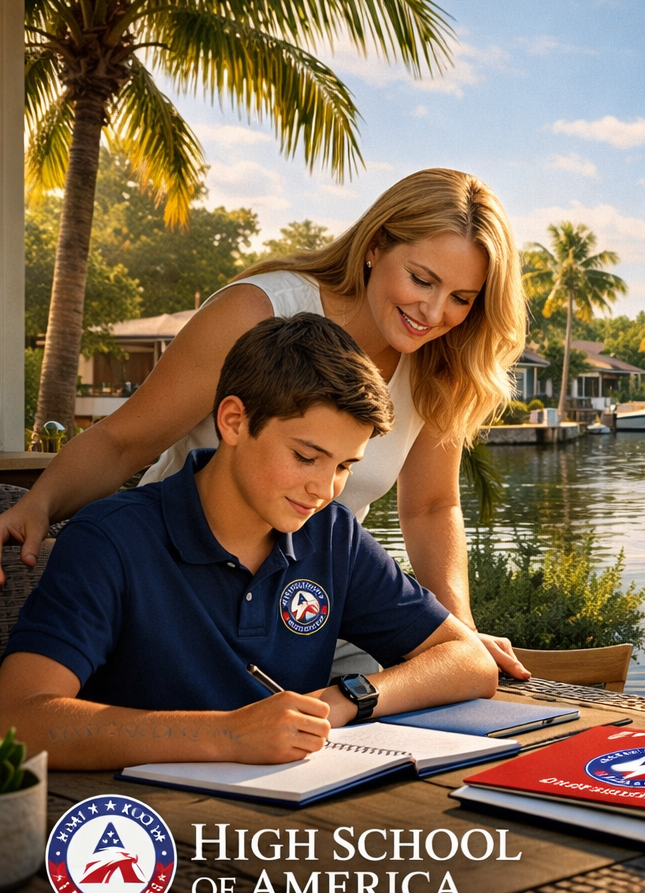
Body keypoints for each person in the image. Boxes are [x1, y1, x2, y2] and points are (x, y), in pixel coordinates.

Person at [0, 169, 530, 680]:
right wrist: (38, 505)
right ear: (375, 245)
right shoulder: (258, 312)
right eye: (421, 279)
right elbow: (121, 443)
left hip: (306, 600)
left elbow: (433, 506)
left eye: (462, 298)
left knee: (418, 705)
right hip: (177, 584)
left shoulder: (441, 363)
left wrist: (458, 629)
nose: (434, 312)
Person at [0, 315, 498, 770]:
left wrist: (345, 698)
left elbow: (468, 660)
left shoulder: (332, 537)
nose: (323, 491)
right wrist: (227, 735)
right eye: (307, 456)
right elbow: (17, 721)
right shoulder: (109, 541)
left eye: (345, 466)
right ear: (233, 420)